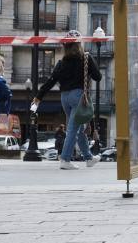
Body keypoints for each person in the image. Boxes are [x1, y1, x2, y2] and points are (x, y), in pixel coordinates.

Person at [34, 30, 102, 170]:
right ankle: (65, 159)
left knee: (77, 128)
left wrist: (39, 96)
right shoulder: (86, 58)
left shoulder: (61, 62)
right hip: (78, 97)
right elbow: (98, 77)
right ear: (79, 44)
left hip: (65, 97)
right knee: (73, 129)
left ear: (66, 46)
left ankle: (88, 158)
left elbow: (51, 81)